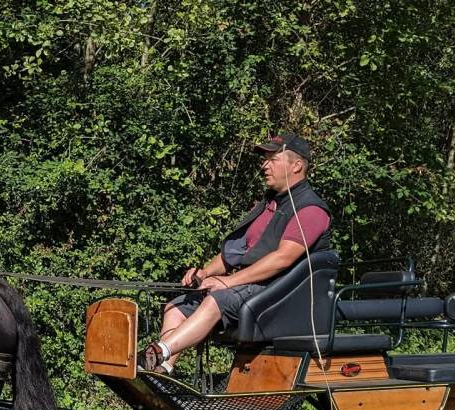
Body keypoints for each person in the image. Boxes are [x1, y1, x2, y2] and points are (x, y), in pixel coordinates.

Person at [141, 133, 333, 373]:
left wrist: (228, 281)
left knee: (217, 299)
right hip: (253, 288)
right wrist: (205, 272)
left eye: (273, 159)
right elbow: (236, 251)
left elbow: (282, 259)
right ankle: (160, 375)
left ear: (296, 165)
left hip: (283, 296)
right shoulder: (268, 205)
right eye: (264, 159)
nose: (264, 165)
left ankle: (157, 353)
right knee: (177, 306)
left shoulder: (310, 209)